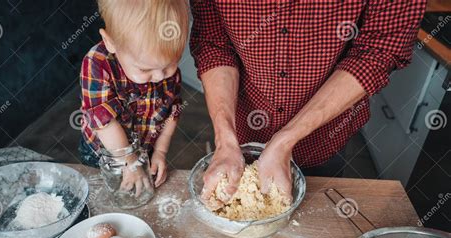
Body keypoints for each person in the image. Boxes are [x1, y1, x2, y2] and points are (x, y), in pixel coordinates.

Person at [190, 1, 426, 202]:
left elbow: (379, 50)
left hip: (325, 136)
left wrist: (285, 140)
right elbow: (214, 43)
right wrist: (225, 140)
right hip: (242, 125)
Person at [78, 0, 189, 193]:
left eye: (171, 64)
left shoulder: (163, 70)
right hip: (104, 150)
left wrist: (161, 152)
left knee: (143, 191)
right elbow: (104, 122)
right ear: (111, 42)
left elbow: (173, 111)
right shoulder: (97, 63)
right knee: (107, 194)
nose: (160, 76)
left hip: (145, 145)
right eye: (145, 69)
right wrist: (129, 162)